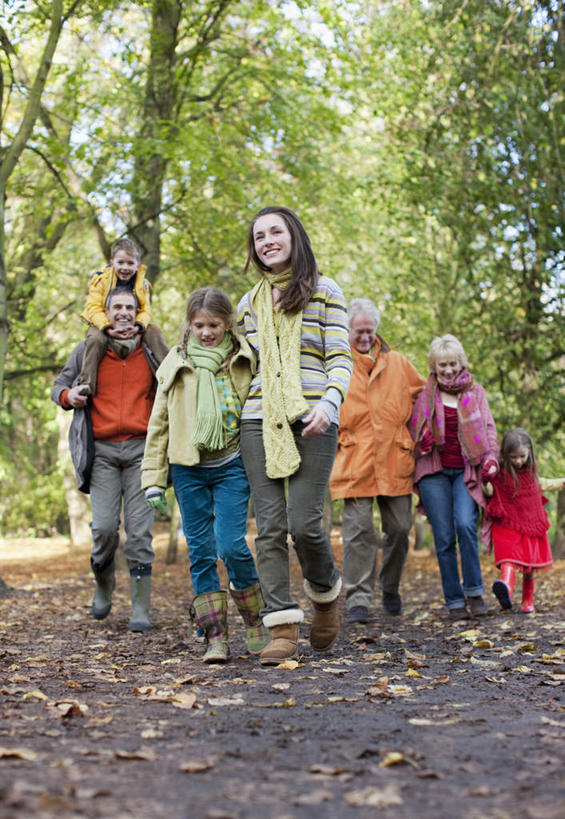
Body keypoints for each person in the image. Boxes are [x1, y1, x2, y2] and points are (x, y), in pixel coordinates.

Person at [237, 206, 352, 666]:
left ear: (293, 236)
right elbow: (246, 368)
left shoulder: (325, 291)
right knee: (268, 528)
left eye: (275, 231)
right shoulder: (249, 303)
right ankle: (281, 626)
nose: (267, 240)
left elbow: (340, 357)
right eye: (259, 235)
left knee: (305, 524)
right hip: (258, 420)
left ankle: (324, 596)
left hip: (313, 418)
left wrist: (329, 404)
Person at [141, 287, 268, 664]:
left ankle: (254, 618)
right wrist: (153, 477)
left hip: (231, 466)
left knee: (231, 545)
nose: (206, 332)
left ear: (227, 323)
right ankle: (215, 635)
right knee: (200, 553)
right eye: (199, 324)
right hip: (188, 469)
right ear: (189, 324)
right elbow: (159, 423)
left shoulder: (244, 359)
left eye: (213, 324)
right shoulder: (176, 363)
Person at [52, 288, 162, 632]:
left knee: (140, 533)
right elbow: (59, 386)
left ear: (138, 311)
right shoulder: (88, 349)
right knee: (103, 529)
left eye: (130, 307)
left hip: (143, 450)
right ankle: (103, 583)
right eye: (118, 307)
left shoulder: (151, 348)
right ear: (107, 311)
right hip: (101, 453)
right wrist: (71, 397)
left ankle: (140, 608)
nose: (124, 313)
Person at [329, 298, 425, 623]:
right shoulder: (338, 363)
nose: (366, 337)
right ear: (347, 330)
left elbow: (424, 398)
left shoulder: (397, 362)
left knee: (399, 528)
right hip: (353, 458)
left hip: (395, 457)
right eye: (359, 331)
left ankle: (390, 586)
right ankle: (358, 598)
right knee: (359, 531)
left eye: (370, 331)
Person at [410, 334, 498, 619]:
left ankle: (474, 592)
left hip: (465, 470)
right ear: (434, 366)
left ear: (461, 363)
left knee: (465, 525)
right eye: (442, 364)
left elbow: (488, 429)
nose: (448, 369)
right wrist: (421, 439)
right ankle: (454, 601)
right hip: (433, 472)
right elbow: (413, 432)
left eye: (452, 364)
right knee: (445, 537)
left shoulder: (476, 393)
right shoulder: (425, 395)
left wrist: (492, 459)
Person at [487, 428, 564, 614]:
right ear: (505, 455)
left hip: (531, 523)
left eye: (522, 456)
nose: (518, 461)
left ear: (529, 451)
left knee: (530, 565)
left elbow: (543, 484)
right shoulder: (501, 475)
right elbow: (490, 490)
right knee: (509, 558)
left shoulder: (532, 475)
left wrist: (561, 482)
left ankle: (527, 601)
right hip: (509, 524)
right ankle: (505, 586)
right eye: (513, 457)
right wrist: (484, 479)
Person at [78, 237, 168, 394]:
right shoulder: (101, 280)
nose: (125, 268)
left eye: (130, 263)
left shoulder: (142, 284)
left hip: (132, 323)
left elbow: (145, 309)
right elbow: (93, 307)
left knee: (154, 332)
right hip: (104, 323)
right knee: (95, 339)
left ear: (138, 265)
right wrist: (107, 328)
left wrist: (138, 326)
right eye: (121, 263)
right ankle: (87, 384)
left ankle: (171, 371)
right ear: (112, 262)